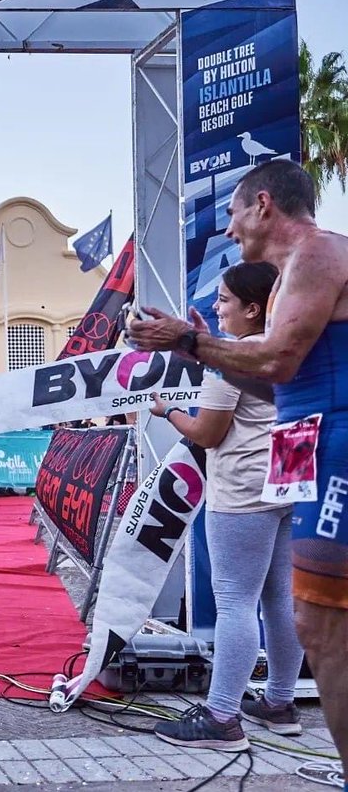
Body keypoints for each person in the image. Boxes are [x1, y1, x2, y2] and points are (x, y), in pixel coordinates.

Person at [126, 159, 348, 769]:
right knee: (306, 613)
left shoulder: (319, 255)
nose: (228, 229)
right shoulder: (284, 282)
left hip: (324, 446)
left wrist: (189, 343)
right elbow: (280, 388)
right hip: (300, 446)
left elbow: (275, 363)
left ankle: (224, 715)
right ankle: (272, 703)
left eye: (232, 213)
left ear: (264, 206)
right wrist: (212, 353)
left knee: (308, 617)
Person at [146, 262, 304, 751]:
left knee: (237, 601)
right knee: (280, 597)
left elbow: (206, 433)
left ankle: (221, 718)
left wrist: (166, 410)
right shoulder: (291, 347)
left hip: (242, 489)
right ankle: (279, 703)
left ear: (252, 308)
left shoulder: (231, 358)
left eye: (224, 301)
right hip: (292, 480)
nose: (216, 308)